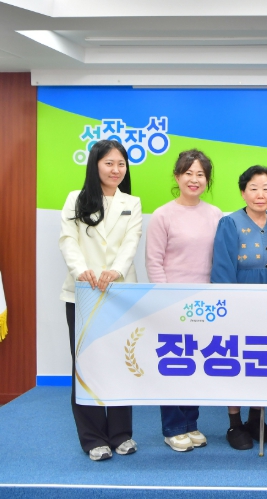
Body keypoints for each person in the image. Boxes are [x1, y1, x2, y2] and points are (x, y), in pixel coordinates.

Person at [59, 140, 142, 461]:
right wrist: (81, 271)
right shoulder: (75, 199)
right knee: (86, 365)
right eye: (109, 163)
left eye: (121, 164)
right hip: (82, 291)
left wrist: (115, 271)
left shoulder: (132, 202)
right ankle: (93, 438)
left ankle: (121, 434)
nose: (116, 169)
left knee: (122, 361)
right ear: (95, 165)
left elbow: (131, 243)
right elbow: (68, 241)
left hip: (121, 292)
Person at [145, 149, 222, 452]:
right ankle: (173, 427)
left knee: (196, 362)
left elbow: (218, 258)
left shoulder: (215, 214)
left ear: (207, 180)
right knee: (174, 362)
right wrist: (165, 299)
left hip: (204, 302)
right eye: (188, 173)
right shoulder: (162, 215)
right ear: (177, 177)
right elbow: (154, 261)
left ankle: (191, 423)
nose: (194, 179)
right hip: (172, 299)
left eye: (200, 174)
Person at [210, 165, 267, 451]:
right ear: (243, 192)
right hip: (240, 298)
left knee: (264, 358)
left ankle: (257, 417)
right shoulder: (230, 223)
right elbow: (222, 268)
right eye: (253, 188)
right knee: (237, 359)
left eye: (266, 188)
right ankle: (235, 422)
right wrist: (229, 307)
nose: (260, 194)